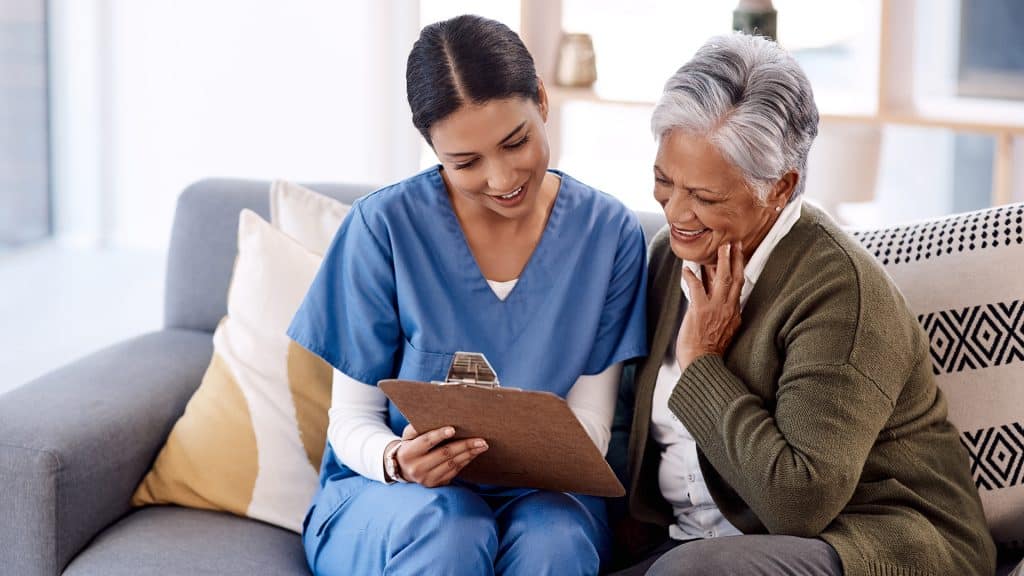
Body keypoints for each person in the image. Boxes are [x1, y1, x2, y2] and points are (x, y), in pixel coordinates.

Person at [617, 33, 996, 576]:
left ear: (779, 186)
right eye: (662, 180)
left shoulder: (840, 293)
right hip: (702, 543)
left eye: (704, 196)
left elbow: (799, 503)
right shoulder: (669, 257)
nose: (676, 211)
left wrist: (703, 366)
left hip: (875, 543)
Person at [287, 14, 648, 576]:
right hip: (397, 499)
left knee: (555, 542)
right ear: (432, 148)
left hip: (546, 497)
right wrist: (398, 460)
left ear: (543, 101)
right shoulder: (382, 228)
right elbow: (351, 420)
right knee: (450, 527)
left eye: (516, 141)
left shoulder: (607, 235)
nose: (503, 179)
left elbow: (592, 424)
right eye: (466, 163)